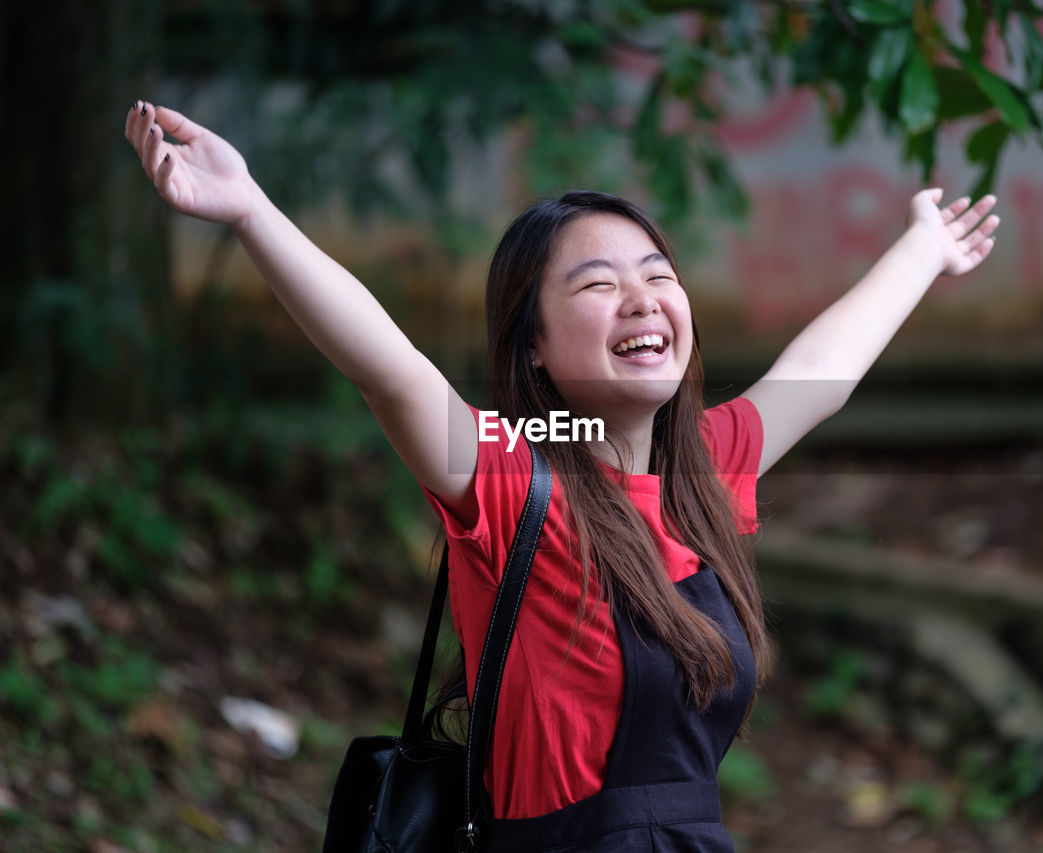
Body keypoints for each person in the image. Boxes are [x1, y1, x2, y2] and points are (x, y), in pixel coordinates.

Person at [124, 99, 998, 851]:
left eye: (658, 275)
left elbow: (823, 371)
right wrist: (249, 212)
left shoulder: (701, 470)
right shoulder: (512, 478)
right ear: (533, 345)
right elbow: (389, 367)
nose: (643, 298)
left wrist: (923, 248)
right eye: (598, 284)